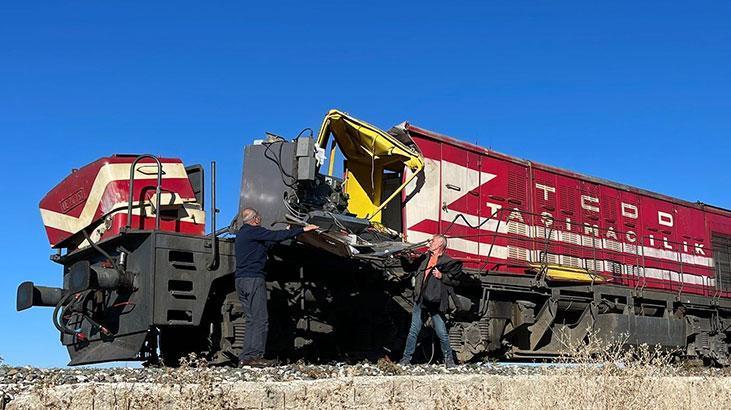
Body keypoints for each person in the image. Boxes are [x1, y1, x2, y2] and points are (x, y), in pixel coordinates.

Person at [234, 207, 318, 367]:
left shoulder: (244, 234)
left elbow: (269, 242)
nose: (260, 219)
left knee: (251, 320)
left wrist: (287, 230)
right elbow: (274, 236)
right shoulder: (253, 231)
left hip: (241, 280)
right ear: (255, 219)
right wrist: (302, 229)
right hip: (253, 279)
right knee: (260, 319)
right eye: (259, 216)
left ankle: (246, 356)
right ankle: (255, 357)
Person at [399, 234, 462, 368]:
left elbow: (455, 280)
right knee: (414, 330)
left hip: (435, 303)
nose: (430, 242)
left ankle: (449, 360)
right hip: (420, 300)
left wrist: (442, 276)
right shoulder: (424, 259)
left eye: (433, 241)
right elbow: (409, 267)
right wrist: (403, 256)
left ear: (440, 244)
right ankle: (406, 359)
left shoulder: (447, 261)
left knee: (441, 332)